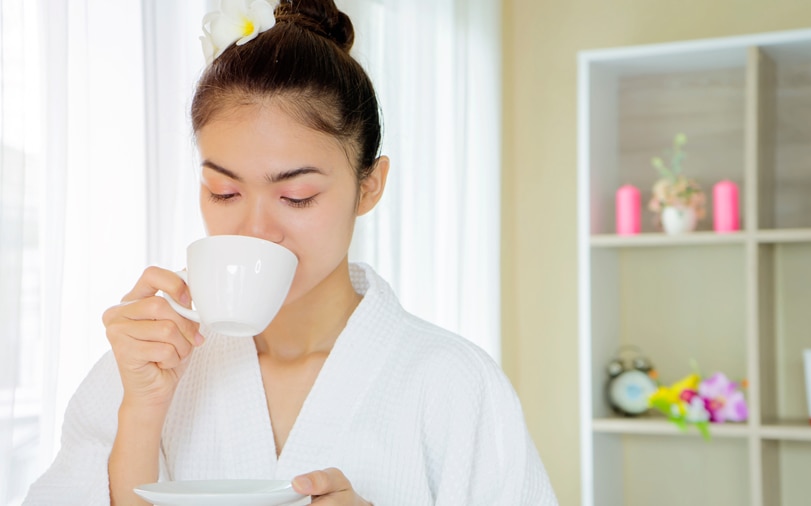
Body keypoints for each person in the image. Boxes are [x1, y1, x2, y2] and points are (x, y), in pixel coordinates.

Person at [24, 0, 557, 504]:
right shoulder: (145, 364)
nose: (255, 229)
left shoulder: (455, 384)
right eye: (224, 192)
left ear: (369, 186)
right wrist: (141, 412)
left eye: (296, 196)